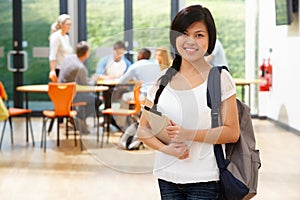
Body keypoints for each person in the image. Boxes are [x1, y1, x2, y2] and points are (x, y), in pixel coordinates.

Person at [137, 4, 239, 199]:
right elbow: (143, 129)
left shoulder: (219, 78)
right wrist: (168, 149)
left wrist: (188, 133)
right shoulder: (163, 80)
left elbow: (232, 132)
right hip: (167, 177)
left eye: (199, 35)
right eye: (184, 33)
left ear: (210, 41)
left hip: (206, 180)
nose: (190, 41)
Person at [58, 41, 101, 134]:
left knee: (88, 97)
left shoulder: (69, 58)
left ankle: (77, 120)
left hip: (59, 95)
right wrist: (94, 80)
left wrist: (89, 79)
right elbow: (86, 86)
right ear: (86, 53)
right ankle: (80, 118)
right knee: (98, 101)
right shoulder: (80, 67)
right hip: (72, 96)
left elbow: (79, 80)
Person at [116, 48, 161, 128]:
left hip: (144, 97)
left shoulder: (135, 65)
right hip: (157, 97)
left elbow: (121, 81)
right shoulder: (156, 65)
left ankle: (121, 125)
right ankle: (135, 120)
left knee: (124, 96)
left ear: (140, 55)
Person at [48, 14, 73, 83]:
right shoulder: (56, 37)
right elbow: (52, 55)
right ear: (61, 24)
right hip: (59, 69)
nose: (69, 27)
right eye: (67, 24)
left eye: (70, 24)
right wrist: (52, 70)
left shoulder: (66, 37)